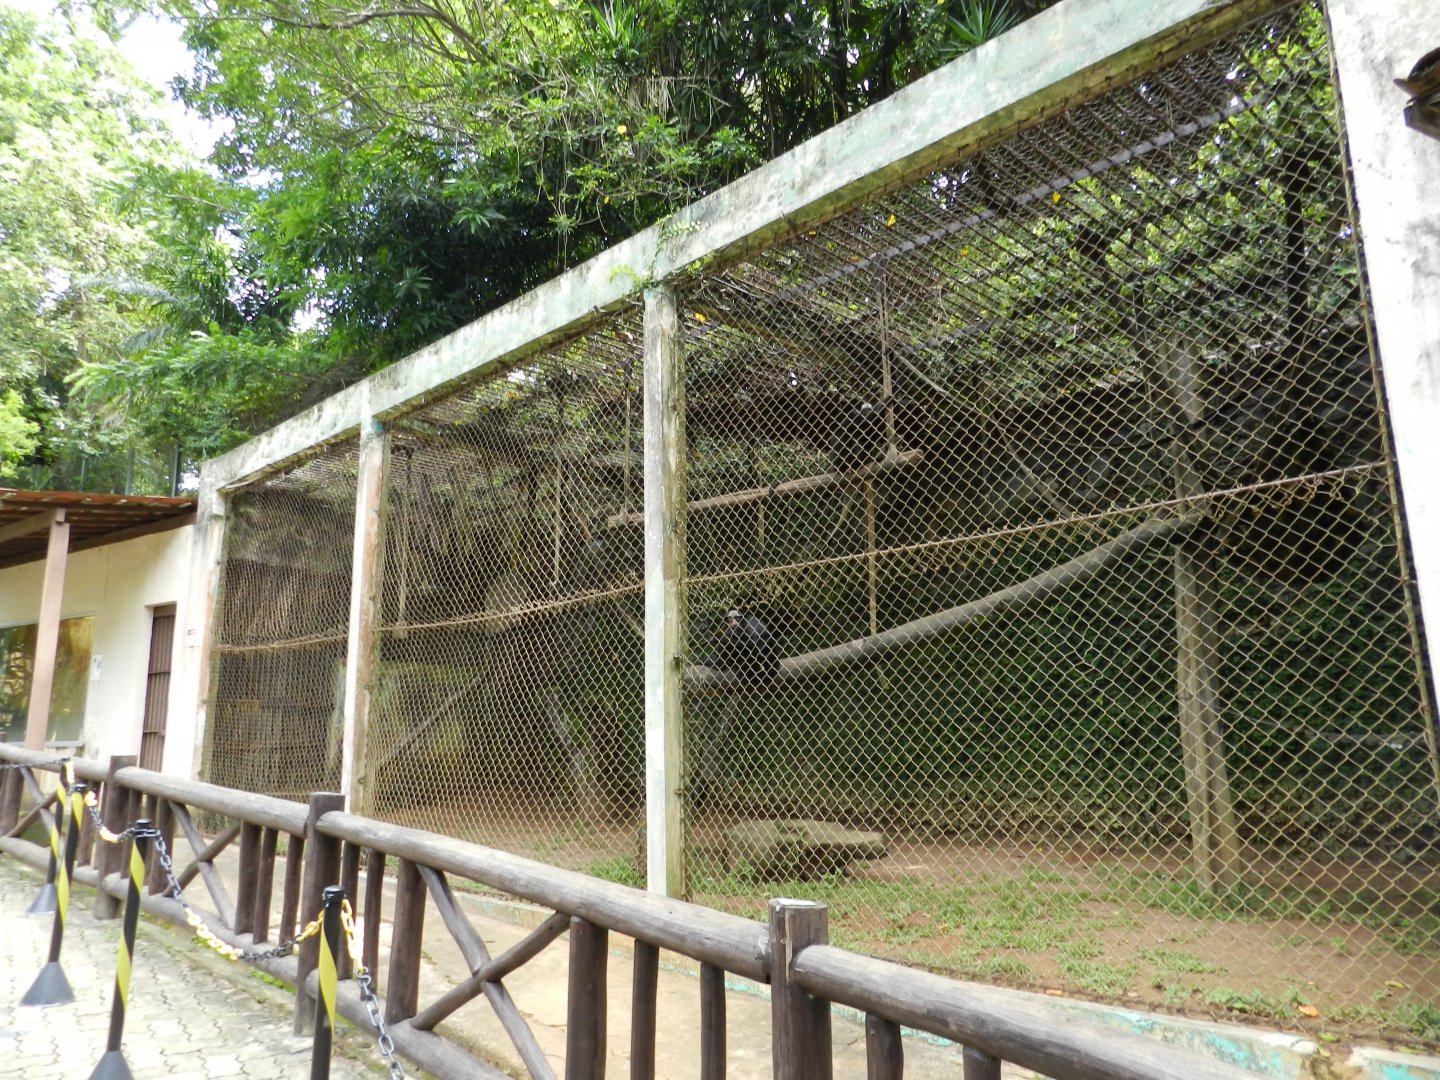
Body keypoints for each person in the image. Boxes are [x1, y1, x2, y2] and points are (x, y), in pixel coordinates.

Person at [698, 608, 780, 681]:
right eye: (730, 619)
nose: (733, 622)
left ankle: (709, 661)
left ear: (741, 618)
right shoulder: (732, 631)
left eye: (737, 618)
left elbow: (754, 645)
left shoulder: (750, 622)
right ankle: (705, 660)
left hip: (762, 666)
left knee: (726, 643)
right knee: (726, 643)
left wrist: (723, 641)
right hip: (747, 669)